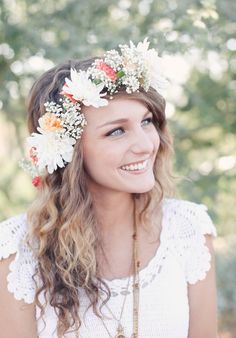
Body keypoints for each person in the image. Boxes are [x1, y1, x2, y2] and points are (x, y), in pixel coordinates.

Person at [0, 39, 218, 338]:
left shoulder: (188, 229)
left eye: (147, 121)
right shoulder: (18, 251)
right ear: (72, 151)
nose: (145, 145)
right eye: (117, 131)